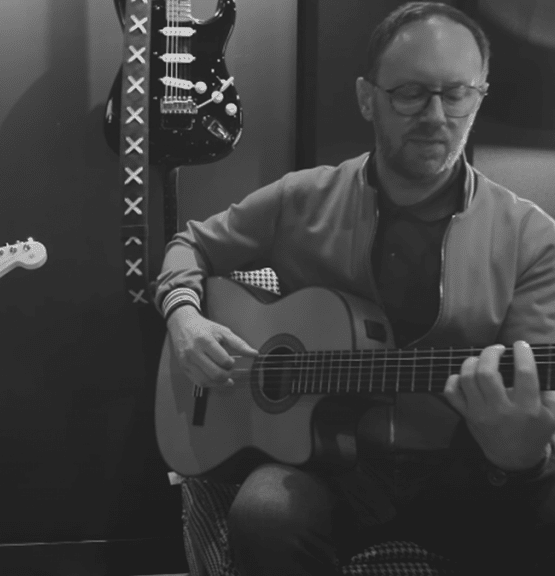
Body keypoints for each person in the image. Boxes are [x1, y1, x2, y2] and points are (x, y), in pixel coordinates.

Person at [155, 2, 555, 574]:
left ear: (481, 95)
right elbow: (188, 244)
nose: (437, 115)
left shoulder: (532, 237)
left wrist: (517, 455)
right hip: (323, 465)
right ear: (368, 98)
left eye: (457, 93)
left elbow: (530, 405)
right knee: (264, 514)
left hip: (461, 469)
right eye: (411, 92)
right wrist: (185, 319)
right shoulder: (302, 198)